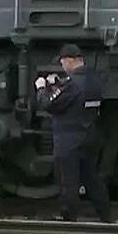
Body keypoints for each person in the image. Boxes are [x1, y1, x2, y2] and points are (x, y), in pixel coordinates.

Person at [37, 43, 111, 222]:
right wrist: (57, 84)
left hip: (69, 139)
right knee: (92, 178)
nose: (62, 67)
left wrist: (41, 88)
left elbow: (49, 104)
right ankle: (105, 214)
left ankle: (68, 217)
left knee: (67, 179)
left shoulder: (73, 85)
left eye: (63, 63)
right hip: (90, 135)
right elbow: (70, 97)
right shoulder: (93, 81)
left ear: (70, 61)